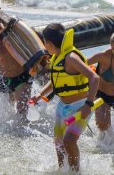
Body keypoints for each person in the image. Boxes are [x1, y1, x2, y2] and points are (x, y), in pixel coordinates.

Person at [31, 23, 99, 172]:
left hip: (79, 107)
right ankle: (62, 170)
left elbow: (94, 78)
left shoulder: (71, 58)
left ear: (48, 43)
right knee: (58, 144)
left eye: (44, 43)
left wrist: (88, 105)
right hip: (62, 107)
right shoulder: (56, 58)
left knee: (69, 141)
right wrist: (40, 94)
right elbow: (56, 79)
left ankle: (75, 171)